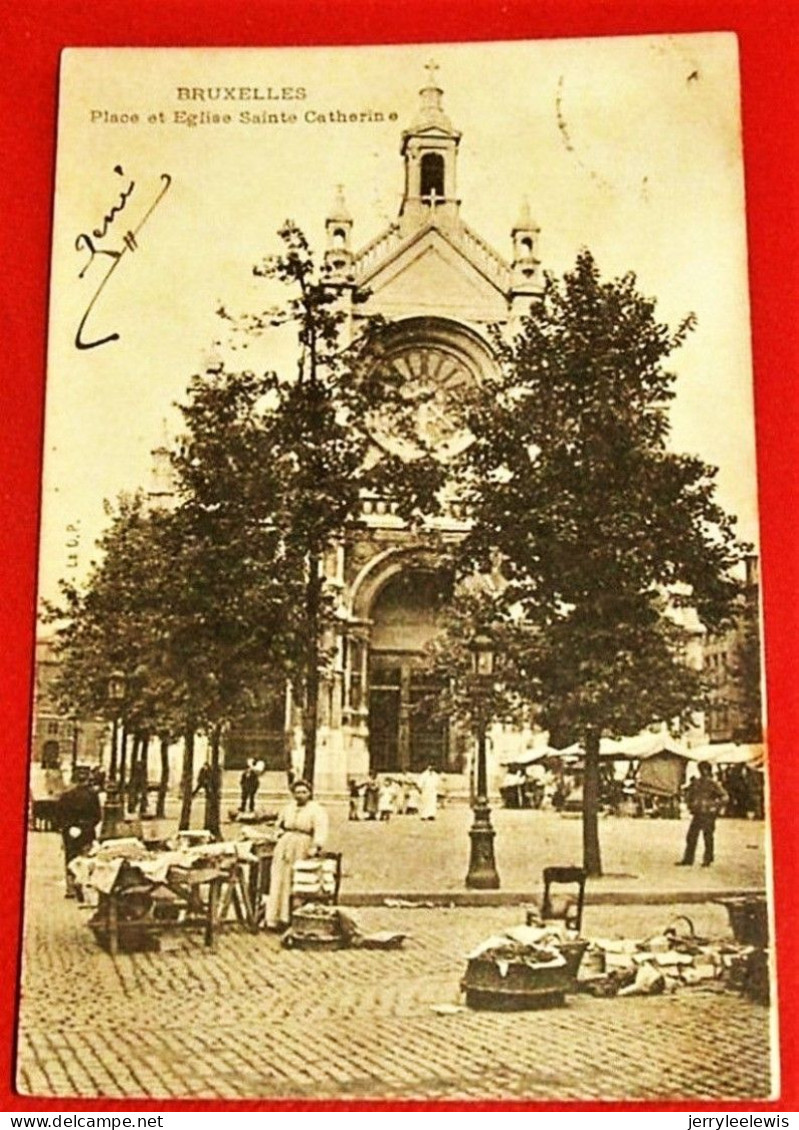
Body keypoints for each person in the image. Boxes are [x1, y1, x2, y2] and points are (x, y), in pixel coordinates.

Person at [265, 779, 329, 932]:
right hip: (285, 846)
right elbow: (279, 825)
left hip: (303, 845)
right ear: (293, 794)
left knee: (297, 880)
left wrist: (316, 846)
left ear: (309, 793)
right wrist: (278, 834)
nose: (300, 795)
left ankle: (295, 918)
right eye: (297, 792)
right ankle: (278, 917)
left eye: (304, 792)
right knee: (280, 879)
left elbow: (321, 829)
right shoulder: (288, 808)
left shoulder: (316, 810)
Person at [53, 776, 102, 897]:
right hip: (86, 831)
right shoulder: (92, 795)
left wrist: (66, 827)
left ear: (74, 781)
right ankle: (83, 883)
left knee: (70, 857)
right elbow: (97, 816)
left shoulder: (66, 796)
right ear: (86, 780)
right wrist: (87, 826)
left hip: (70, 831)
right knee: (86, 857)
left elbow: (59, 815)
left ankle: (71, 887)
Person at [677, 762, 728, 867]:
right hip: (698, 813)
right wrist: (690, 804)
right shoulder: (697, 783)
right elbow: (689, 795)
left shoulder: (713, 784)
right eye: (701, 769)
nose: (702, 771)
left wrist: (714, 806)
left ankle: (707, 859)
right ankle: (688, 859)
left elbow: (725, 797)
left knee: (707, 837)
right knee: (691, 836)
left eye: (704, 769)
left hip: (708, 814)